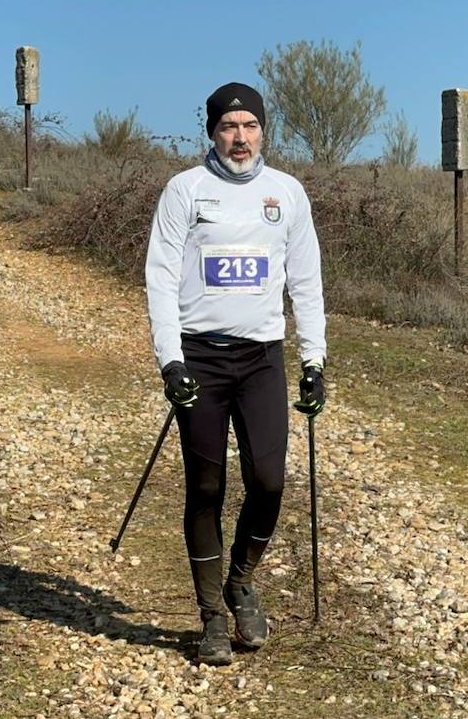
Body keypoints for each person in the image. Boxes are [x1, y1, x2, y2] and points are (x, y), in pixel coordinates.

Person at [144, 82, 328, 666]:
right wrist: (169, 359)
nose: (240, 138)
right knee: (205, 487)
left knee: (269, 481)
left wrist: (314, 359)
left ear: (264, 131)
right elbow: (161, 279)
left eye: (249, 126)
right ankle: (212, 619)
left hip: (261, 358)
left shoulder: (287, 193)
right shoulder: (185, 190)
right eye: (228, 127)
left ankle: (241, 580)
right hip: (199, 356)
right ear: (212, 132)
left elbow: (306, 281)